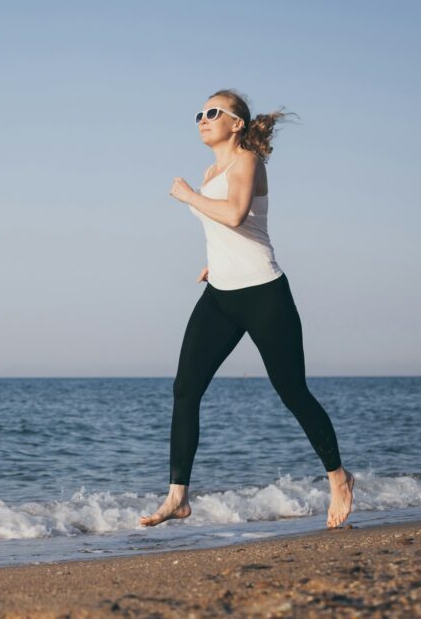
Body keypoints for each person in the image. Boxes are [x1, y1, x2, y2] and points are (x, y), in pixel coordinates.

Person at [141, 90, 354, 529]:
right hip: (220, 293)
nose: (203, 118)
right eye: (199, 113)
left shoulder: (248, 162)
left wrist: (186, 196)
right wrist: (213, 262)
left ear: (236, 123)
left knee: (292, 391)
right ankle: (178, 496)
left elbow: (237, 214)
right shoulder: (210, 170)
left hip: (263, 293)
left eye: (213, 112)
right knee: (185, 388)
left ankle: (338, 476)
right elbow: (226, 229)